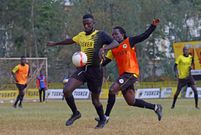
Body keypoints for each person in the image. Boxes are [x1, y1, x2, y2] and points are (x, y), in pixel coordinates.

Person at [47, 13, 119, 128]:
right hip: (83, 69)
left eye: (88, 24)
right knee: (67, 90)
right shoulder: (81, 35)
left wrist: (104, 48)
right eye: (84, 24)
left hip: (96, 71)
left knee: (95, 100)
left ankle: (102, 119)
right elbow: (70, 40)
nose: (86, 26)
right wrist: (56, 43)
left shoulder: (101, 35)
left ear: (93, 23)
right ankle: (76, 113)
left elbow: (115, 43)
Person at [96, 18, 163, 123]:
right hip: (124, 75)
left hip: (131, 73)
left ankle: (106, 117)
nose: (114, 36)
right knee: (131, 101)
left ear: (122, 34)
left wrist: (153, 26)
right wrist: (97, 61)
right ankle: (156, 107)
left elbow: (144, 36)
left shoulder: (129, 41)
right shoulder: (113, 49)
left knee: (112, 89)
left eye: (116, 34)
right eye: (112, 35)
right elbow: (104, 63)